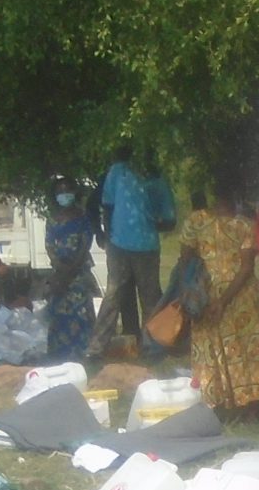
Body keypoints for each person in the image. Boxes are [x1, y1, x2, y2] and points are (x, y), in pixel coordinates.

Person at [174, 186, 259, 411]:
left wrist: (193, 292)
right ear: (235, 198)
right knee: (246, 348)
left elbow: (185, 259)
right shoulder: (245, 226)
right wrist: (224, 301)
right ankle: (251, 402)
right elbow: (246, 268)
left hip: (205, 294)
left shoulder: (196, 221)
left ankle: (219, 399)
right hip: (241, 296)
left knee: (213, 346)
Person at [99, 151, 178, 350]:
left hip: (140, 246)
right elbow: (107, 207)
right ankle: (147, 346)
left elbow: (170, 221)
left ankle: (151, 346)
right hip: (128, 245)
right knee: (130, 296)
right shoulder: (119, 171)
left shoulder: (154, 178)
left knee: (130, 296)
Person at [42, 178, 98, 364]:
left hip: (79, 272)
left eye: (67, 191)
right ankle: (58, 355)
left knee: (81, 312)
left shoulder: (83, 217)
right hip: (59, 273)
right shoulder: (51, 220)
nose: (63, 195)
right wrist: (59, 266)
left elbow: (85, 245)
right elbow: (49, 245)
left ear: (74, 193)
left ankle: (84, 354)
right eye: (60, 192)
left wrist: (71, 270)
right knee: (58, 313)